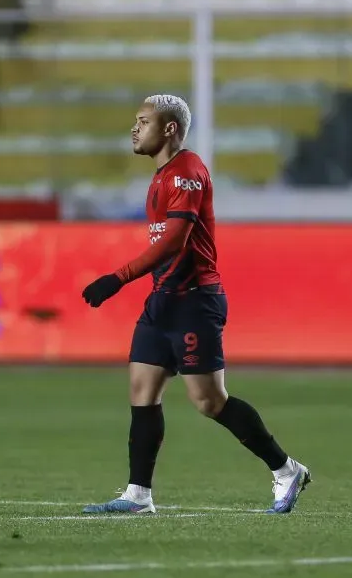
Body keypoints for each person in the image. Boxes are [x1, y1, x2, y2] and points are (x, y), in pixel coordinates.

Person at [79, 94, 310, 515]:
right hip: (162, 301)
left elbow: (174, 241)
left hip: (194, 300)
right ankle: (138, 494)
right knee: (141, 390)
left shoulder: (187, 171)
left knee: (209, 401)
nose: (134, 128)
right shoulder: (161, 175)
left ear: (169, 129)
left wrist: (118, 277)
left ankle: (286, 469)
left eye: (143, 121)